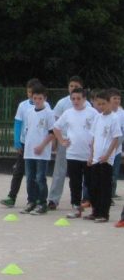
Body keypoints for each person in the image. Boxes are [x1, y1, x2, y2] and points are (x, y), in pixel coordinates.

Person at [0, 78, 48, 207]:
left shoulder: (46, 106)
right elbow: (18, 123)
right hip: (25, 143)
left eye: (33, 93)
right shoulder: (23, 105)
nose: (31, 96)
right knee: (19, 171)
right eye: (29, 93)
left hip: (38, 145)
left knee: (37, 175)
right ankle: (12, 196)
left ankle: (36, 199)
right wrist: (17, 141)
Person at [52, 88, 98, 218]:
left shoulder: (92, 113)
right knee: (74, 182)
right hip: (72, 154)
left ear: (84, 99)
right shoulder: (68, 113)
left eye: (79, 98)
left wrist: (94, 150)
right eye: (73, 99)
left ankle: (96, 209)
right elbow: (56, 127)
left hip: (88, 154)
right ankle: (76, 207)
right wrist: (61, 141)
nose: (76, 101)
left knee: (90, 182)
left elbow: (97, 130)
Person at [47, 76, 89, 210]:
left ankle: (84, 199)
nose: (73, 88)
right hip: (66, 142)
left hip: (82, 145)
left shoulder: (88, 105)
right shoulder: (62, 103)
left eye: (76, 86)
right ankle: (53, 199)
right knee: (59, 171)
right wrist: (57, 141)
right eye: (71, 86)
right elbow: (55, 124)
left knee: (82, 174)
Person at [84, 90, 121, 222]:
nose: (101, 106)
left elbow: (116, 138)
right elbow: (93, 137)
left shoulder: (114, 118)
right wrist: (91, 155)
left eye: (103, 104)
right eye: (98, 104)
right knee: (93, 186)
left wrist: (107, 155)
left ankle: (104, 214)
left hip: (106, 160)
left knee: (104, 187)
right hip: (95, 159)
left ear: (109, 103)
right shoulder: (97, 118)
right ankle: (95, 211)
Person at [20, 85, 55, 215]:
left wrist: (42, 146)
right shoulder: (29, 112)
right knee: (30, 177)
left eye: (40, 98)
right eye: (35, 98)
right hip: (29, 151)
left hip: (42, 152)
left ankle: (42, 203)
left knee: (40, 178)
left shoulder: (49, 113)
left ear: (45, 98)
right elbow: (28, 130)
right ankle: (31, 201)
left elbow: (52, 133)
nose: (37, 101)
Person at [107, 88, 123, 200]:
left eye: (118, 98)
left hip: (117, 149)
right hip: (106, 149)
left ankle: (111, 194)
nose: (117, 100)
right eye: (114, 98)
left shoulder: (122, 113)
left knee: (114, 174)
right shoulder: (106, 112)